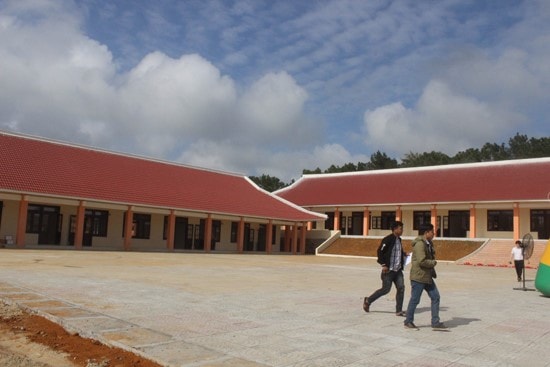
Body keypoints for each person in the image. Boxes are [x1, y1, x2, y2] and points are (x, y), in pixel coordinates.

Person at [404, 223, 447, 331]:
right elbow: (421, 261)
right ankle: (408, 321)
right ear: (426, 232)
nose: (433, 234)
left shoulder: (428, 243)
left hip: (427, 276)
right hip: (419, 276)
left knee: (435, 296)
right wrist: (433, 263)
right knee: (415, 299)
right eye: (432, 231)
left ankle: (435, 322)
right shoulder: (420, 244)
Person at [363, 221, 406, 316]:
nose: (402, 230)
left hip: (397, 270)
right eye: (400, 228)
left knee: (401, 288)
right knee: (386, 289)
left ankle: (399, 310)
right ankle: (368, 300)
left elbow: (397, 251)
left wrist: (404, 254)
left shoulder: (399, 240)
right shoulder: (387, 239)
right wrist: (383, 264)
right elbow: (380, 251)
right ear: (394, 229)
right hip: (389, 270)